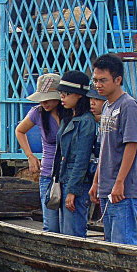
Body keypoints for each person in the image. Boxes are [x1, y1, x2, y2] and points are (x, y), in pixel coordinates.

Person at [89, 53, 137, 245]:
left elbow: (132, 145)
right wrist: (96, 182)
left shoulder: (128, 106)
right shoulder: (106, 107)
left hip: (124, 189)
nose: (98, 85)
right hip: (107, 186)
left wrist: (120, 182)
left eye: (103, 80)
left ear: (118, 79)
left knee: (124, 244)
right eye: (96, 80)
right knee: (111, 244)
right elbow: (105, 150)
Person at [15, 73, 69, 232]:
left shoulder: (71, 112)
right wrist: (30, 156)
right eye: (42, 99)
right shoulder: (37, 112)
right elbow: (20, 131)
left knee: (69, 226)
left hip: (70, 174)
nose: (44, 103)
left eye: (48, 99)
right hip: (47, 174)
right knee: (51, 225)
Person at [55, 71, 96, 237]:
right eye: (61, 94)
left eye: (67, 94)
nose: (62, 98)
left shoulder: (86, 121)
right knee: (66, 230)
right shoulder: (68, 117)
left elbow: (82, 158)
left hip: (76, 181)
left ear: (79, 96)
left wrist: (73, 190)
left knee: (74, 230)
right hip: (65, 178)